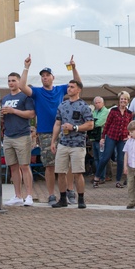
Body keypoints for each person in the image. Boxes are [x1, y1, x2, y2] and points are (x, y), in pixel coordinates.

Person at [21, 54, 81, 206]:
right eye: (43, 76)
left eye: (47, 75)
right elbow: (22, 86)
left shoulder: (61, 89)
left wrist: (74, 68)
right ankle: (51, 195)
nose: (45, 78)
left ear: (53, 77)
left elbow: (78, 83)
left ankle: (69, 191)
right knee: (49, 165)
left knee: (67, 164)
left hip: (64, 131)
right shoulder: (37, 92)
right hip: (45, 132)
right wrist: (26, 67)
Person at [50, 79, 93, 208]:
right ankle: (62, 198)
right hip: (63, 143)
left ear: (79, 90)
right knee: (60, 172)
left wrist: (75, 128)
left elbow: (90, 124)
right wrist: (53, 141)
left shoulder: (84, 106)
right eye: (68, 87)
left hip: (78, 144)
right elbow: (57, 123)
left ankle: (81, 199)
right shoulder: (62, 105)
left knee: (77, 173)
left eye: (72, 87)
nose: (69, 89)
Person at [0, 72, 36, 207]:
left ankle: (29, 195)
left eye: (14, 80)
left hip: (22, 135)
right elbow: (5, 116)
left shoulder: (25, 97)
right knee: (13, 167)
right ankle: (17, 195)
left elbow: (31, 114)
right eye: (9, 80)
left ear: (19, 82)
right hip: (8, 135)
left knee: (24, 166)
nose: (11, 83)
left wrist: (13, 111)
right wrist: (2, 115)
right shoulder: (4, 98)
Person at [96, 92, 134, 187]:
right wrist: (102, 138)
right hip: (111, 136)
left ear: (128, 101)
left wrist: (129, 135)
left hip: (122, 138)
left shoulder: (129, 113)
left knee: (121, 159)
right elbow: (107, 125)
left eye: (125, 99)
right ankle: (97, 177)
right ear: (119, 100)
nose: (123, 101)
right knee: (106, 157)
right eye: (121, 99)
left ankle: (118, 181)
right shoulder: (113, 111)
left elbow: (130, 126)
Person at [88, 96, 109, 184]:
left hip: (102, 137)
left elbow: (99, 123)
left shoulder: (105, 111)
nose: (97, 104)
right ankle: (98, 175)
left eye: (99, 102)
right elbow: (90, 121)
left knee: (101, 158)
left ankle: (102, 177)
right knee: (96, 158)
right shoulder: (94, 111)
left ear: (103, 103)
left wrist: (91, 124)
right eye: (96, 103)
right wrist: (91, 123)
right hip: (94, 138)